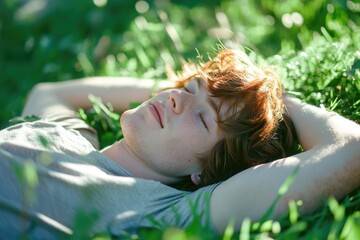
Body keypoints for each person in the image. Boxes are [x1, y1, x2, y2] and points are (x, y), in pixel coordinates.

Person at [0, 49, 359, 239]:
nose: (176, 100)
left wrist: (278, 99)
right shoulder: (73, 135)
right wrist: (182, 89)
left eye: (203, 118)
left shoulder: (165, 212)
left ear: (205, 172)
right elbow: (48, 92)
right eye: (188, 90)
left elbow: (350, 149)